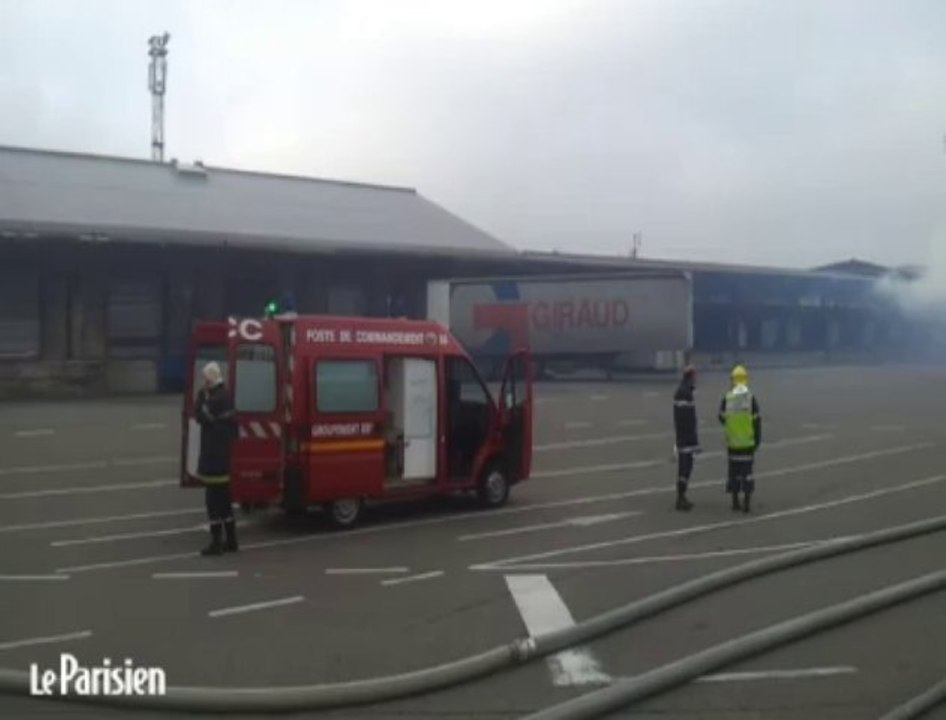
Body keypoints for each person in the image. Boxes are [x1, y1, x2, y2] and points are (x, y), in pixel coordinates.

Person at [195, 361, 238, 555]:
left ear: (210, 378)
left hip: (213, 458)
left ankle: (216, 543)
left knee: (213, 502)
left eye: (205, 378)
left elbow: (201, 416)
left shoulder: (213, 399)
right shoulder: (227, 396)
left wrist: (200, 396)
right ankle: (231, 540)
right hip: (224, 457)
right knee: (225, 501)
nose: (203, 382)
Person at [718, 364, 762, 513]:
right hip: (748, 443)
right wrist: (757, 439)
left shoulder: (728, 397)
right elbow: (757, 421)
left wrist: (731, 425)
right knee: (747, 473)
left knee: (734, 473)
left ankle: (735, 501)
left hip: (733, 444)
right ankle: (747, 503)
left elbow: (721, 417)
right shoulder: (750, 398)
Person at [672, 365, 700, 511]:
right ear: (689, 377)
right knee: (685, 467)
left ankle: (682, 496)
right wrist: (692, 440)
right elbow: (685, 420)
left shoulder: (686, 391)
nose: (696, 379)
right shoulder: (684, 393)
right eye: (695, 376)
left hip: (686, 437)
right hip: (685, 438)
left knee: (687, 467)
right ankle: (680, 498)